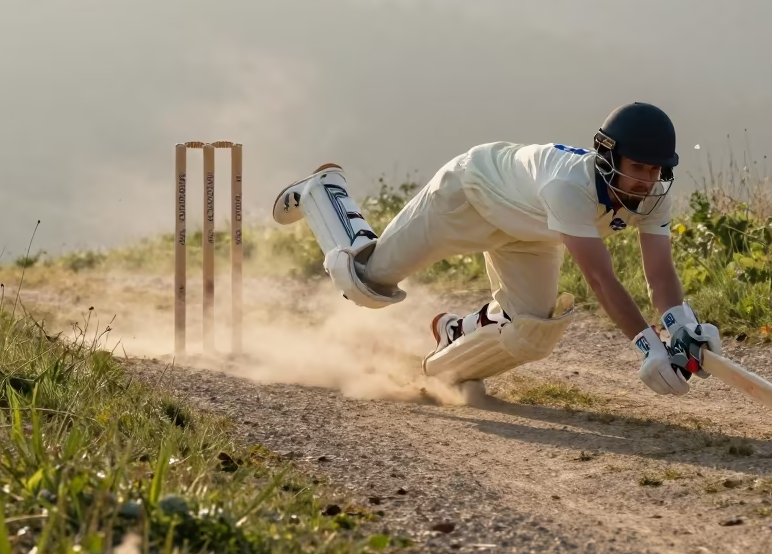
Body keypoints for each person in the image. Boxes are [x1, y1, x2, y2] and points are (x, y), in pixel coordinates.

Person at [272, 102, 721, 392]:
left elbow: (659, 274)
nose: (646, 180)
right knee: (364, 284)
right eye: (637, 167)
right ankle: (323, 191)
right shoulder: (570, 187)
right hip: (471, 196)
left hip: (532, 233)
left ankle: (451, 347)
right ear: (608, 156)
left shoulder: (656, 195)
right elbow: (602, 280)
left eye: (656, 170)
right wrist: (648, 346)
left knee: (530, 333)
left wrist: (681, 326)